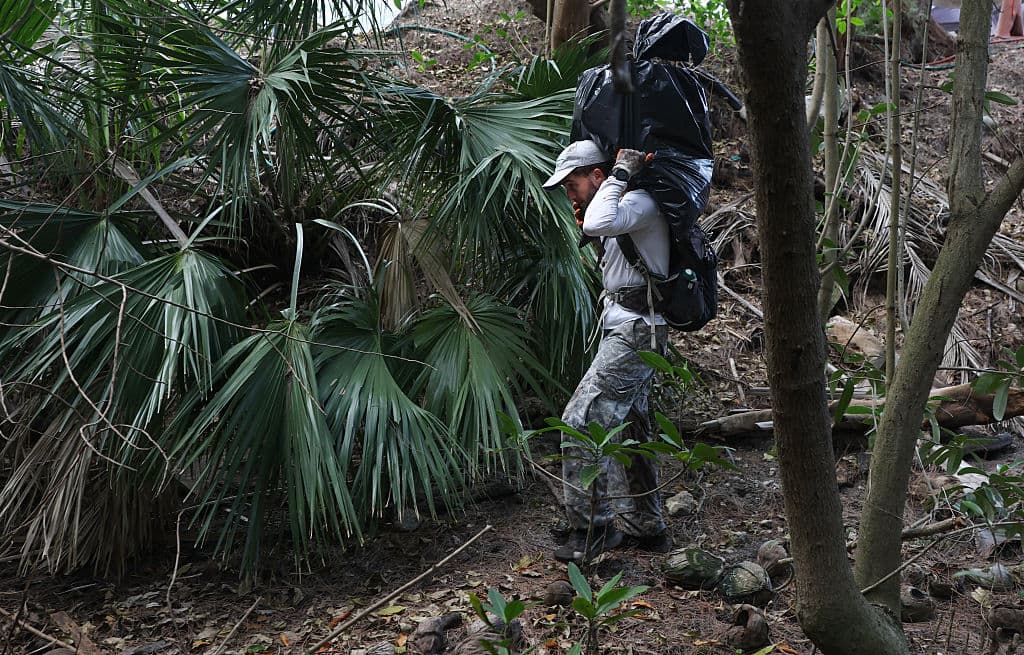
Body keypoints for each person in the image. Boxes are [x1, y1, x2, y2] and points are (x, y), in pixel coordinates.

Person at [542, 139, 673, 563]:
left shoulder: (636, 202)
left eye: (573, 183)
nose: (570, 194)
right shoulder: (621, 206)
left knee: (580, 420)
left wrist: (619, 174)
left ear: (597, 175)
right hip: (625, 325)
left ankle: (592, 529)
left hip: (637, 331)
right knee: (634, 426)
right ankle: (646, 526)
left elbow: (594, 224)